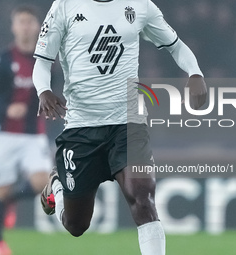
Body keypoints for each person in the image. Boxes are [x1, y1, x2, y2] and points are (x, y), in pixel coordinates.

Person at [32, 0, 207, 254]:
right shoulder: (65, 6)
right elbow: (43, 61)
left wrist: (195, 72)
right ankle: (57, 186)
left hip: (128, 123)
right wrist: (44, 91)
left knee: (143, 197)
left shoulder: (140, 5)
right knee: (76, 224)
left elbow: (175, 45)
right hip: (82, 126)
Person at [0, 5, 53, 255]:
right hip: (2, 135)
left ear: (37, 26)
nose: (25, 26)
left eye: (29, 22)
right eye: (20, 22)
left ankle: (11, 201)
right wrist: (6, 109)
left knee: (43, 183)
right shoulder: (3, 58)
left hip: (33, 134)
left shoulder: (47, 60)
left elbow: (58, 90)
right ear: (13, 27)